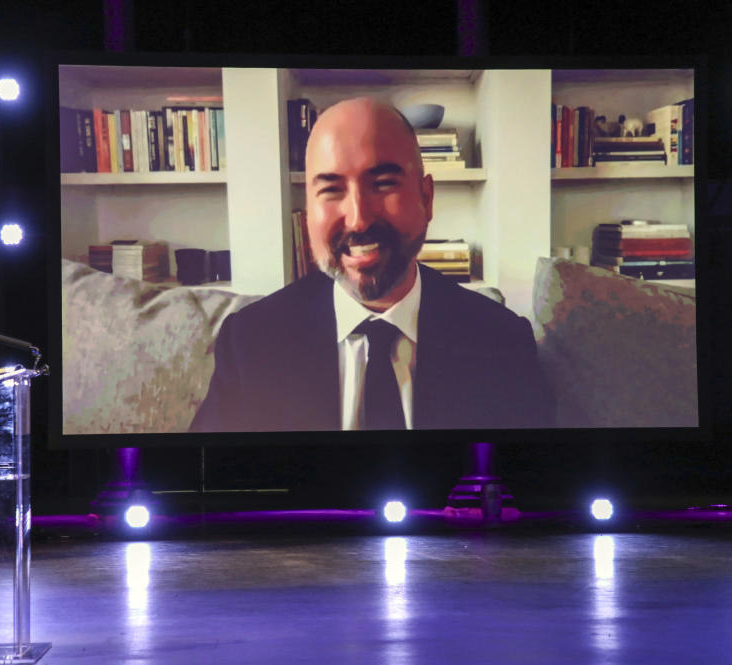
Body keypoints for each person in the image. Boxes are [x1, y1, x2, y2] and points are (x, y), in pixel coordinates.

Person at [190, 97, 554, 433]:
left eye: (382, 183)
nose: (359, 220)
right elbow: (215, 487)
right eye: (331, 190)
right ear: (307, 213)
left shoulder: (504, 342)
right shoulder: (250, 343)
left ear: (426, 198)